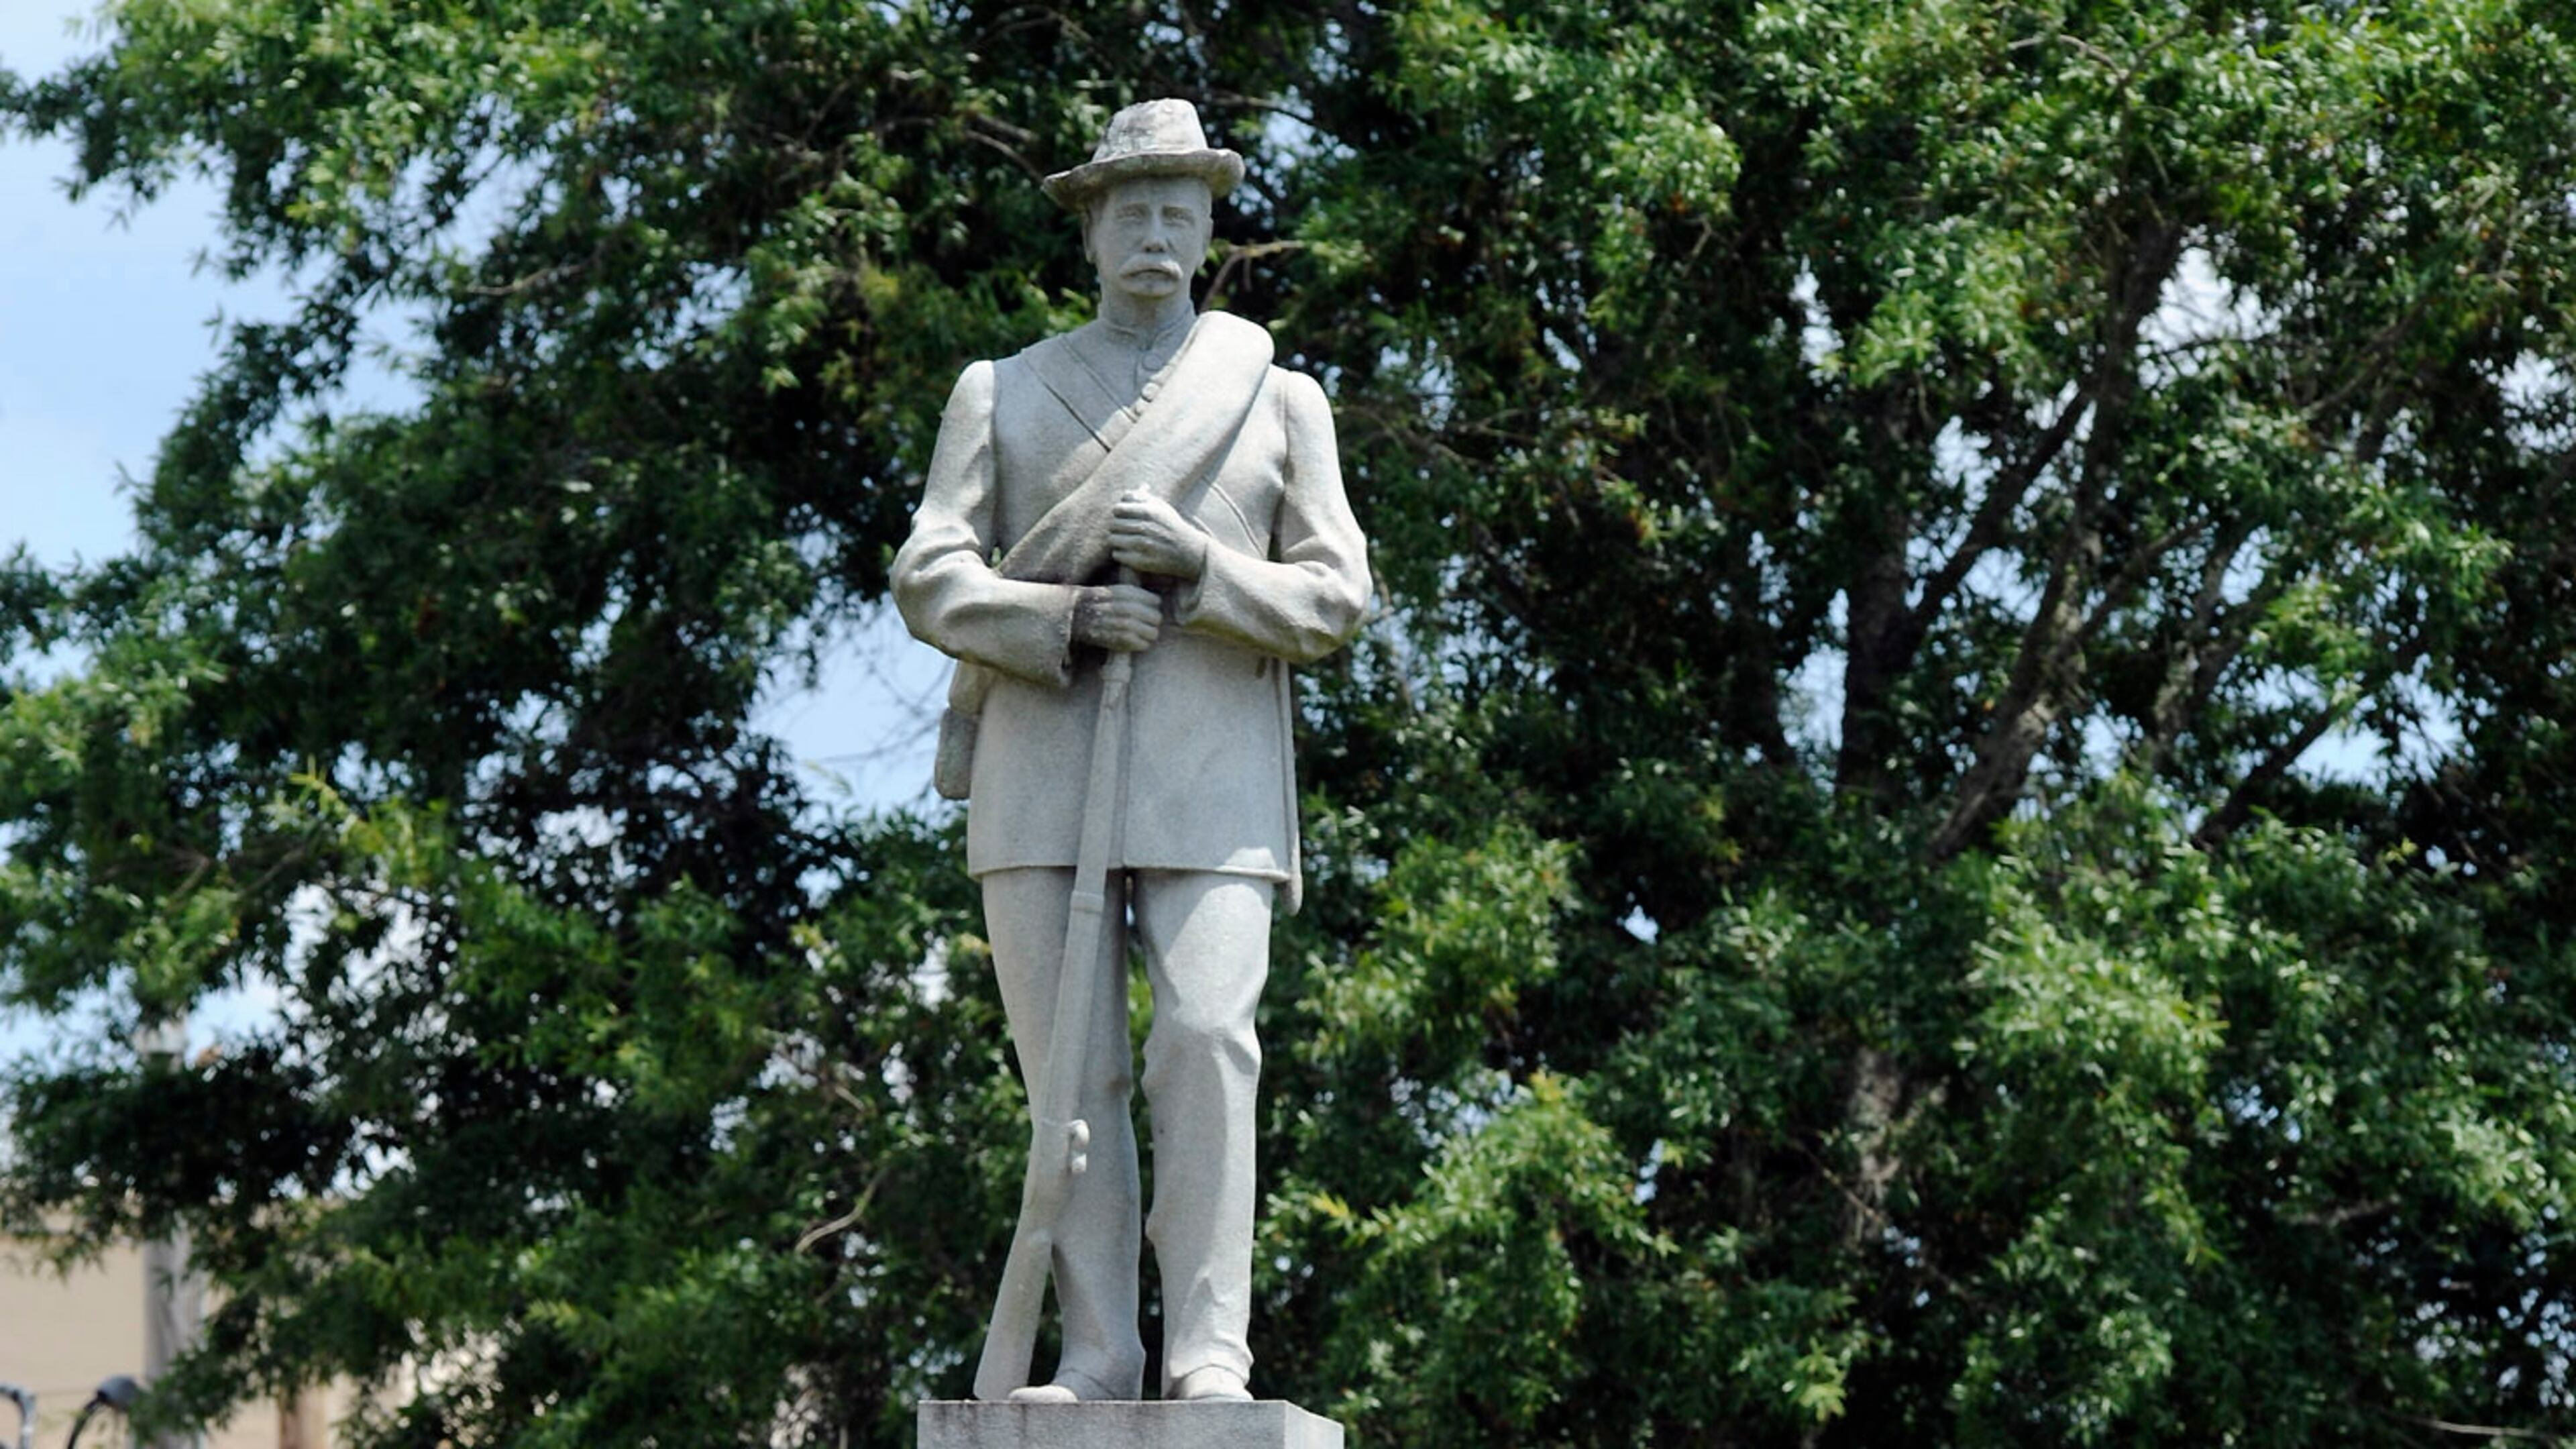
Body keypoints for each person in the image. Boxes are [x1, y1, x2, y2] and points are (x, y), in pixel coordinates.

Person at [891, 99, 1369, 1403]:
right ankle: (1099, 1350)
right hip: (1039, 764)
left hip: (1216, 780)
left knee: (1209, 1042)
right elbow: (931, 573)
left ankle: (1213, 1353)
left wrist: (1206, 569)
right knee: (1074, 1074)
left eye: (1181, 211)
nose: (1157, 234)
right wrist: (1055, 616)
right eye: (1133, 211)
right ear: (1091, 230)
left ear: (1212, 230)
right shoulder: (1004, 391)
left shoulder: (1279, 402)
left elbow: (1337, 597)